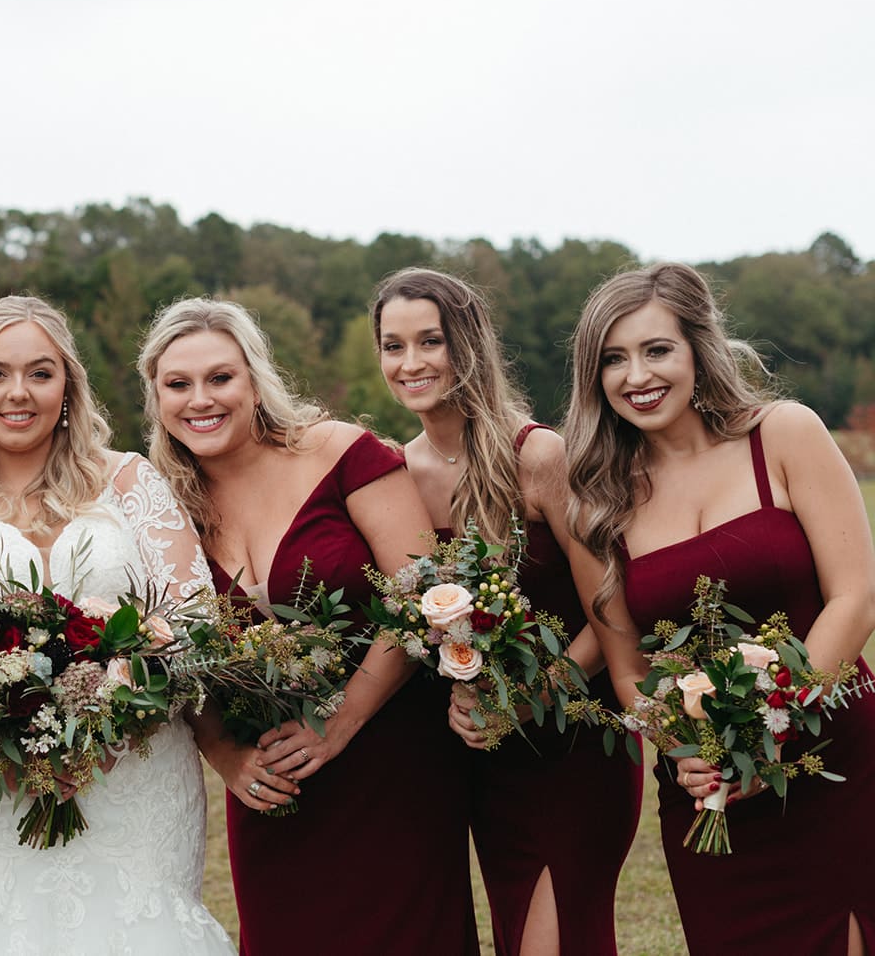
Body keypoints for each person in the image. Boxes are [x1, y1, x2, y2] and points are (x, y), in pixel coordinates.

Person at [0, 295, 234, 955]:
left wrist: (110, 715)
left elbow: (191, 619)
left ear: (68, 384)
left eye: (40, 373)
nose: (18, 392)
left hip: (133, 778)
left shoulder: (129, 479)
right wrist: (11, 735)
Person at [139, 295, 477, 955]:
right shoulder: (160, 504)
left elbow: (420, 596)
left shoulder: (340, 451)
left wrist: (339, 721)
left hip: (391, 762)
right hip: (274, 786)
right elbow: (173, 655)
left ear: (255, 378)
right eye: (178, 384)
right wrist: (228, 757)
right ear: (156, 396)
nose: (200, 399)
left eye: (220, 377)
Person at [565, 262, 875, 955]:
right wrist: (686, 750)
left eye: (656, 349)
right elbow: (627, 670)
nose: (636, 375)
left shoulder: (784, 435)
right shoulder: (598, 505)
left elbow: (855, 597)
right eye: (613, 359)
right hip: (707, 794)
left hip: (835, 764)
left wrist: (765, 728)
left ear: (698, 349)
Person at [372, 268, 641, 956]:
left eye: (430, 340)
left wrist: (527, 698)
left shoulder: (538, 456)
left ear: (468, 344)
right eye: (393, 345)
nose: (411, 362)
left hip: (572, 747)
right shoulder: (394, 474)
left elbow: (609, 610)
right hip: (477, 762)